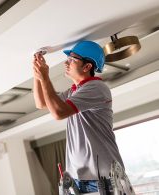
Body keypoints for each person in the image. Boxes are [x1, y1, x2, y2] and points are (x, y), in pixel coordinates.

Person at [33, 40, 125, 193]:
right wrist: (37, 74)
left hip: (104, 179)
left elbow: (58, 113)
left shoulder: (97, 88)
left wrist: (45, 77)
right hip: (79, 180)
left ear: (87, 66)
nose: (66, 63)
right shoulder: (73, 91)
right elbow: (41, 103)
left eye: (72, 59)